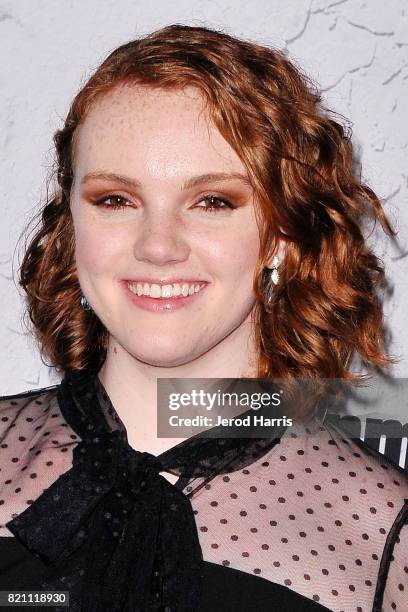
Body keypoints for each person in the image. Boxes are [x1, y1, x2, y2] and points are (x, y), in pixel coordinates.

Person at [0, 23, 406, 612]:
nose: (158, 246)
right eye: (116, 200)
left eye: (212, 202)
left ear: (281, 240)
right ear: (73, 229)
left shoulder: (381, 530)